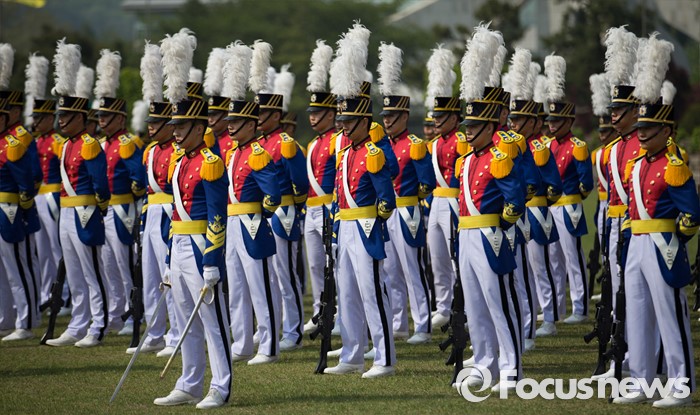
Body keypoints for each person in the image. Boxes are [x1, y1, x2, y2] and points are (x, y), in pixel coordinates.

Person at [613, 35, 696, 406]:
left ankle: (681, 384)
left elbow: (692, 213)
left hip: (664, 245)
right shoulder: (635, 165)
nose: (642, 134)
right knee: (638, 313)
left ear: (666, 130)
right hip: (636, 243)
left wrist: (675, 239)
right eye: (640, 129)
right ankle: (641, 380)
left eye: (649, 129)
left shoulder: (674, 166)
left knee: (671, 314)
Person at [154, 97, 232, 409]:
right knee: (185, 318)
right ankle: (189, 383)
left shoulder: (211, 163)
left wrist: (211, 259)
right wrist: (169, 258)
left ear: (199, 128)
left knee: (213, 321)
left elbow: (217, 216)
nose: (175, 131)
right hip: (179, 245)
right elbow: (175, 213)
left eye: (182, 126)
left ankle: (221, 386)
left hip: (201, 247)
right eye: (174, 125)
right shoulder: (179, 161)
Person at [324, 95, 397, 378]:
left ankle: (384, 358)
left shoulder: (373, 153)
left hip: (366, 228)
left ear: (364, 122)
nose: (343, 125)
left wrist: (372, 222)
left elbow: (386, 200)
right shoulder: (345, 154)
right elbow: (338, 196)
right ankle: (352, 355)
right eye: (342, 120)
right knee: (347, 294)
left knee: (372, 293)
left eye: (349, 120)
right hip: (345, 227)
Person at [456, 97, 525, 393]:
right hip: (465, 234)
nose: (468, 131)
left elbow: (515, 200)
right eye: (467, 125)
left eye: (474, 126)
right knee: (475, 306)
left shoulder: (499, 158)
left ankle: (512, 370)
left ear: (489, 127)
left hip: (488, 235)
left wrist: (500, 226)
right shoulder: (466, 160)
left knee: (500, 304)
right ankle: (485, 365)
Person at [45, 51, 112, 348]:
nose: (61, 120)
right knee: (74, 273)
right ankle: (77, 324)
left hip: (85, 211)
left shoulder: (89, 144)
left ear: (80, 118)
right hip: (67, 211)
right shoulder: (66, 145)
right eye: (60, 116)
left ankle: (98, 325)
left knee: (92, 272)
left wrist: (99, 207)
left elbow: (100, 184)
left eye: (66, 116)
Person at [377, 42, 435, 344]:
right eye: (385, 115)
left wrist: (412, 200)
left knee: (413, 269)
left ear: (404, 116)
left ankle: (422, 324)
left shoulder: (415, 144)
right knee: (390, 270)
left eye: (392, 115)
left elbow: (427, 182)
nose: (387, 120)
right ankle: (399, 323)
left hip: (408, 210)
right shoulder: (381, 145)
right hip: (386, 211)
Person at [224, 95, 282, 365]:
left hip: (251, 224)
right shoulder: (233, 153)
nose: (230, 125)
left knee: (261, 288)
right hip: (232, 223)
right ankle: (242, 344)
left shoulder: (258, 155)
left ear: (250, 124)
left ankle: (269, 347)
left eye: (236, 121)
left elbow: (273, 195)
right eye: (229, 120)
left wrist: (258, 216)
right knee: (236, 288)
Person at [95, 50, 147, 335]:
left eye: (107, 116)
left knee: (126, 263)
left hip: (123, 208)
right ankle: (116, 312)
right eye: (100, 116)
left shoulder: (126, 142)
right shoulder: (103, 143)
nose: (101, 120)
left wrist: (133, 193)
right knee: (108, 264)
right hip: (104, 209)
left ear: (119, 118)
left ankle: (133, 313)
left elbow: (138, 176)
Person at [255, 88, 309, 351]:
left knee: (285, 275)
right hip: (261, 214)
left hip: (283, 212)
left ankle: (293, 330)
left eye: (263, 112)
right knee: (267, 277)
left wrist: (293, 207)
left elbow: (300, 182)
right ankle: (271, 327)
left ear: (276, 115)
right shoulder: (259, 143)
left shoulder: (285, 143)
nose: (258, 117)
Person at [542, 54, 593, 327]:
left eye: (556, 121)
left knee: (573, 258)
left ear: (568, 121)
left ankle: (581, 307)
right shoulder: (548, 146)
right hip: (550, 207)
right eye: (550, 120)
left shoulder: (577, 146)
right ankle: (558, 309)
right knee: (554, 259)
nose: (551, 125)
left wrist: (572, 199)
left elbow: (586, 184)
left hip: (569, 206)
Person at [302, 45, 339, 333]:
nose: (313, 117)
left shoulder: (337, 140)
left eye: (318, 112)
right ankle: (319, 313)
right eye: (311, 112)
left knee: (334, 265)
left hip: (329, 206)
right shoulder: (313, 143)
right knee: (315, 265)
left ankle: (337, 314)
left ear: (331, 113)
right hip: (311, 208)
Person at [0, 97, 39, 341]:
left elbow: (27, 182)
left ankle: (25, 321)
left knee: (17, 269)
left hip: (9, 211)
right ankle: (5, 319)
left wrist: (23, 207)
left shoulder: (12, 145)